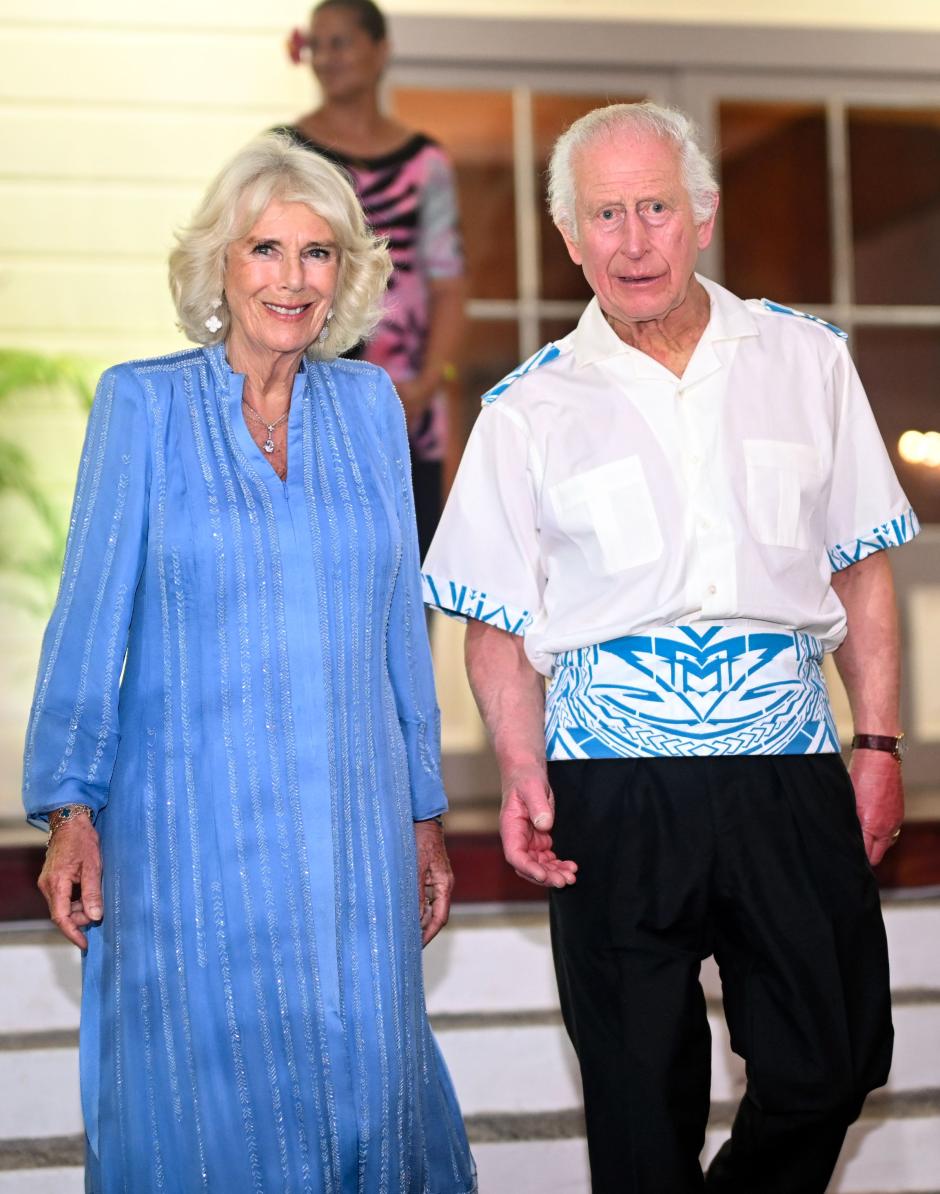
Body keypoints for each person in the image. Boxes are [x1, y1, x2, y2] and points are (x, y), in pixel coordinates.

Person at [423, 101, 916, 1193]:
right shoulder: (525, 409)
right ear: (569, 236)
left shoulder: (808, 360)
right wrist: (517, 769)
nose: (632, 238)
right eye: (605, 213)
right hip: (610, 787)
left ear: (703, 215)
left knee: (830, 1067)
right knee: (640, 1113)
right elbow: (495, 626)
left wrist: (876, 741)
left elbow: (861, 569)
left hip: (787, 773)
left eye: (655, 207)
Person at [24, 132, 476, 1194]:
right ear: (219, 267)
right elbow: (88, 621)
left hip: (353, 835)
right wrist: (69, 810)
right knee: (205, 1100)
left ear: (345, 276)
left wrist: (423, 815)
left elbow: (396, 638)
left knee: (370, 1082)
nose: (291, 278)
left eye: (316, 254)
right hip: (190, 834)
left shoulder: (371, 413)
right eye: (263, 249)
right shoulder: (142, 406)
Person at [279, 0, 465, 559]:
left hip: (408, 413)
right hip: (303, 407)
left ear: (381, 51)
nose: (327, 57)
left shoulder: (426, 162)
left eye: (342, 42)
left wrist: (427, 384)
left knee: (404, 580)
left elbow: (450, 283)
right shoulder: (283, 154)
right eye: (318, 44)